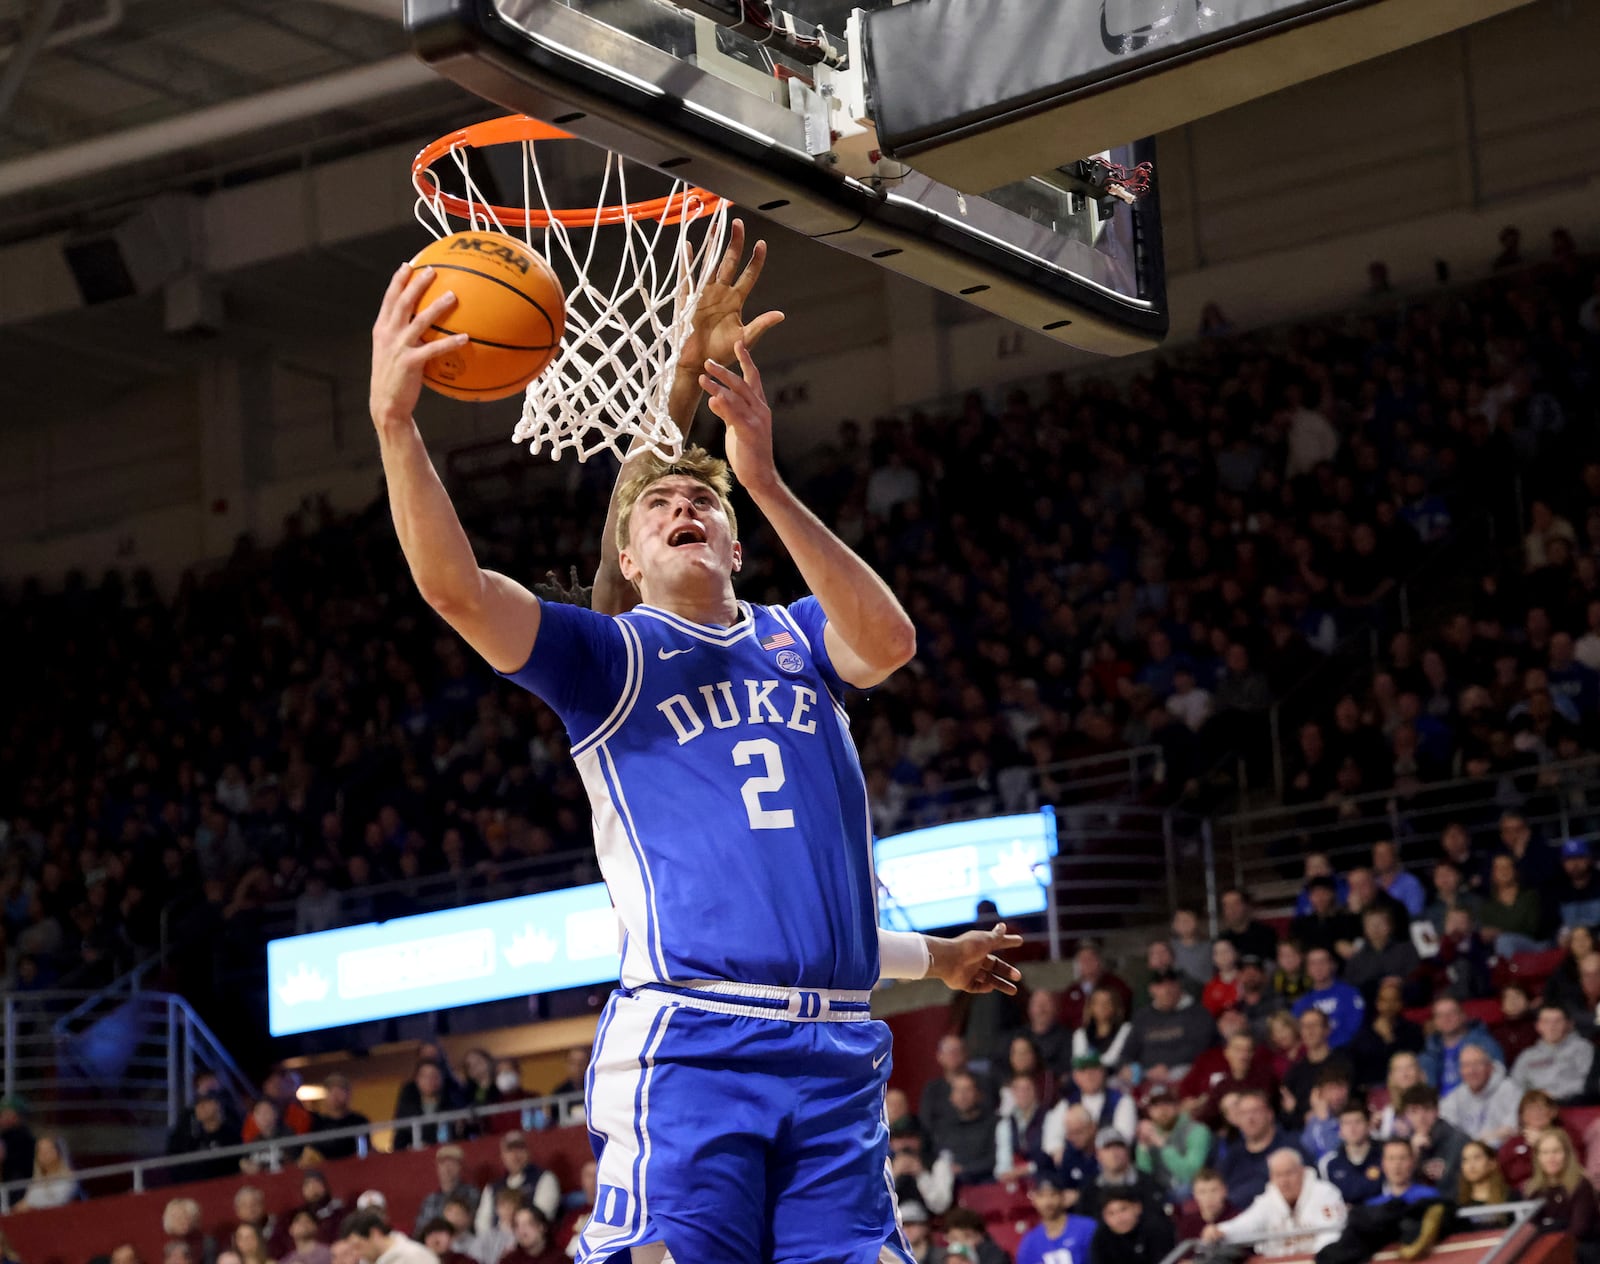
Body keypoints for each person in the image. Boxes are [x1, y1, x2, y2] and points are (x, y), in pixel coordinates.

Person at [372, 223, 1026, 1263]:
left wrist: (758, 476)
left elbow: (890, 641)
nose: (684, 505)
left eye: (703, 503)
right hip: (695, 1043)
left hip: (836, 1050)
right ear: (626, 556)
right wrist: (397, 421)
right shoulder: (606, 659)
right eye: (661, 506)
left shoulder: (796, 638)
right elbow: (455, 588)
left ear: (732, 541)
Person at [1200, 1148, 1346, 1258]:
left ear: (1301, 1171)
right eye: (1278, 1175)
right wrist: (1221, 1230)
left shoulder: (1324, 1193)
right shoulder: (1268, 1199)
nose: (1284, 1182)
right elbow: (1247, 1223)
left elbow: (1331, 1237)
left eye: (1289, 1173)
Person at [1121, 969, 1216, 1086]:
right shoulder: (1143, 1016)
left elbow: (1199, 1049)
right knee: (1116, 1082)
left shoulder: (1198, 1014)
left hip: (1183, 1070)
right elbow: (1127, 1052)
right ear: (1151, 990)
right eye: (1160, 986)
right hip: (1145, 1072)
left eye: (1171, 985)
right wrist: (1127, 1067)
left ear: (1179, 987)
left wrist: (1165, 1066)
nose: (1167, 990)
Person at [1216, 1090, 1307, 1208]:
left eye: (1255, 1111)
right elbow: (1216, 1188)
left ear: (1270, 1114)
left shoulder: (1291, 1146)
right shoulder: (1233, 1155)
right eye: (1243, 1114)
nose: (1250, 1118)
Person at [1525, 1129, 1600, 1261]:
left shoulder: (1581, 1185)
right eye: (1545, 1152)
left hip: (1583, 1250)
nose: (1551, 1158)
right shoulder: (1534, 1190)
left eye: (1556, 1151)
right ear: (1538, 1157)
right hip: (1548, 1249)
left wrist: (1548, 1227)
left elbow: (1579, 1230)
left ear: (1567, 1154)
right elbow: (1530, 1230)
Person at [474, 1131, 560, 1235]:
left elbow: (543, 1216)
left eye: (520, 1149)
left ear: (528, 1152)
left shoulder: (545, 1178)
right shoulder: (492, 1188)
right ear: (503, 1156)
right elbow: (482, 1224)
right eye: (510, 1150)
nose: (515, 1155)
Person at [1133, 1085, 1209, 1200]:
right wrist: (1143, 1148)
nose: (1162, 1110)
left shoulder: (1196, 1130)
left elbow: (1191, 1173)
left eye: (1167, 1103)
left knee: (1184, 1188)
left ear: (1177, 1107)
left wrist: (1164, 1146)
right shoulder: (1149, 1133)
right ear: (1149, 1111)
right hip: (1161, 1194)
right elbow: (1145, 1177)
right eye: (1156, 1106)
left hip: (1192, 1194)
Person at [1419, 996, 1503, 1095]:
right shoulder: (1428, 1052)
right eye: (1440, 1015)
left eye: (1451, 1013)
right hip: (1436, 1107)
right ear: (1434, 1021)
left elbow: (1498, 1076)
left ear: (1463, 1016)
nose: (1446, 1019)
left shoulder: (1484, 1044)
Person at [1440, 1044, 1521, 1145]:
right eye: (1466, 1066)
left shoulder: (1509, 1089)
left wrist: (1485, 1140)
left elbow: (1512, 1128)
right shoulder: (1454, 1098)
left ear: (1490, 1067)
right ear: (1460, 1071)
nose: (1472, 1071)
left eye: (1477, 1064)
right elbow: (1447, 1132)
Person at [1511, 1005, 1594, 1101]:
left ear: (1568, 1024)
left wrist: (1552, 1093)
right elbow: (1515, 1087)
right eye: (1546, 1022)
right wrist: (1535, 1097)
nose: (1552, 1027)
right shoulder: (1526, 1056)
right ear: (1538, 1026)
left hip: (1573, 1103)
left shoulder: (1583, 1048)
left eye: (1557, 1021)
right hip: (1535, 1107)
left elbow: (1589, 1082)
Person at [1497, 1089, 1574, 1186]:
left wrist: (1542, 1142)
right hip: (1517, 1194)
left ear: (1552, 1112)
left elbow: (1574, 1164)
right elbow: (1501, 1172)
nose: (1536, 1113)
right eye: (1530, 1109)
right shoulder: (1512, 1143)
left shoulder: (1565, 1135)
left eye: (1540, 1108)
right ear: (1522, 1116)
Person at [1291, 948, 1365, 1049]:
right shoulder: (1301, 1003)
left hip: (1346, 1051)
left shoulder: (1350, 994)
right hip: (1314, 1054)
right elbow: (1299, 1035)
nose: (1318, 967)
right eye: (1313, 963)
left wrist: (1326, 1047)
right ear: (1307, 969)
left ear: (1332, 965)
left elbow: (1354, 1028)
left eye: (1322, 962)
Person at [1014, 1174, 1096, 1264]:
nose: (1048, 1202)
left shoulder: (1087, 1228)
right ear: (1034, 1200)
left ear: (1063, 1197)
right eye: (1041, 1196)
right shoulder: (1029, 1243)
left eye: (1053, 1195)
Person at [166, 1089, 244, 1183]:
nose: (201, 1107)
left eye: (206, 1102)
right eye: (198, 1104)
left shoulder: (231, 1134)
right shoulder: (189, 1137)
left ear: (217, 1105)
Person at [1401, 1084, 1467, 1190]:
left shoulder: (1458, 1141)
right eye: (1414, 1111)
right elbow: (1400, 1187)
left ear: (1437, 1111)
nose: (1421, 1117)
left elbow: (1452, 1185)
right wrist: (1414, 1154)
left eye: (1427, 1109)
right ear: (1406, 1115)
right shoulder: (1404, 1144)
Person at [1319, 1102, 1383, 1205]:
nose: (1352, 1128)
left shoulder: (1384, 1156)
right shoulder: (1328, 1163)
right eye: (1347, 1123)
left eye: (1358, 1122)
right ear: (1340, 1130)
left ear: (1368, 1126)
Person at [1064, 1054, 1137, 1145]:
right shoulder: (1066, 1103)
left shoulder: (1122, 1100)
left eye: (1094, 1070)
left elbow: (1124, 1139)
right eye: (1083, 1071)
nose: (1089, 1076)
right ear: (1075, 1077)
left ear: (1103, 1072)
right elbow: (1054, 1142)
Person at [1087, 1191, 1174, 1264]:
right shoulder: (1101, 1237)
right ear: (1104, 1217)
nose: (1119, 1218)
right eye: (1111, 1213)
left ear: (1137, 1207)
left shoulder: (1156, 1228)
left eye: (1123, 1209)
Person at [414, 1145, 479, 1238]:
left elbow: (471, 1227)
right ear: (438, 1167)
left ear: (460, 1167)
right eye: (443, 1163)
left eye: (452, 1163)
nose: (447, 1168)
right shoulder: (430, 1200)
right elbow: (419, 1230)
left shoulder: (471, 1194)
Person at [337, 1209, 435, 1264]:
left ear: (375, 1233)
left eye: (358, 1247)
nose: (356, 1254)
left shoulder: (416, 1257)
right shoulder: (366, 1261)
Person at [309, 1073, 369, 1161]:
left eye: (340, 1090)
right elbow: (311, 1153)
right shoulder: (317, 1123)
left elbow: (363, 1152)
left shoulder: (359, 1121)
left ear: (349, 1094)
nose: (335, 1096)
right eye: (331, 1091)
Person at [12, 1134, 78, 1210]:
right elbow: (25, 1202)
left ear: (58, 1152)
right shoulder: (36, 1181)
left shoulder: (68, 1177)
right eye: (41, 1151)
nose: (44, 1154)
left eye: (48, 1149)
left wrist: (30, 1206)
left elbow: (58, 1201)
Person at [1457, 1139, 1512, 1225]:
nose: (1471, 1165)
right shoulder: (1457, 1203)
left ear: (1492, 1163)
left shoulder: (1509, 1198)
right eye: (1465, 1160)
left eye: (1477, 1158)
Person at [1173, 1169, 1237, 1243]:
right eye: (1202, 1192)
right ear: (1195, 1195)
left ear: (1224, 1191)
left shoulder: (1238, 1219)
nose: (1209, 1197)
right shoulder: (1188, 1224)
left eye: (1214, 1190)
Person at [941, 1208, 1010, 1264]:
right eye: (954, 1238)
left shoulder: (996, 1256)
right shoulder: (947, 1258)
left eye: (967, 1236)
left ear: (981, 1236)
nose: (961, 1243)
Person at [497, 1206, 564, 1264]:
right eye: (516, 1225)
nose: (521, 1230)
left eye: (527, 1224)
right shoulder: (509, 1261)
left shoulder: (561, 1260)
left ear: (542, 1227)